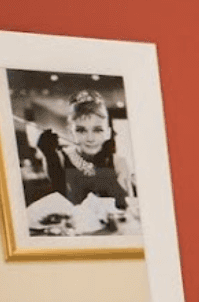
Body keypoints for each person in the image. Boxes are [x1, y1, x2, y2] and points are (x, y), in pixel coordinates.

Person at [27, 89, 135, 235]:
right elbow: (60, 197)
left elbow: (126, 207)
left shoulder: (118, 162)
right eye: (81, 130)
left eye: (97, 130)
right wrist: (49, 155)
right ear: (71, 132)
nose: (90, 138)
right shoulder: (60, 157)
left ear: (108, 132)